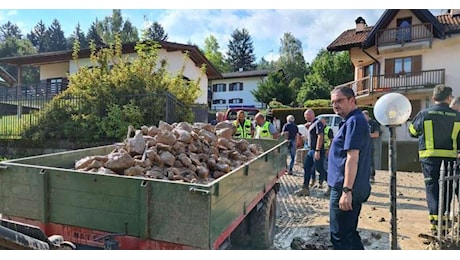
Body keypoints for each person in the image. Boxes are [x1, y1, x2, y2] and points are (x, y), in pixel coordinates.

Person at [408, 84, 460, 236]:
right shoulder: (457, 116)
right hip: (450, 159)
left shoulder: (424, 114)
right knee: (447, 191)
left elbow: (412, 132)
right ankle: (444, 226)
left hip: (429, 159)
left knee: (432, 191)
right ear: (449, 98)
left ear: (433, 98)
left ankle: (435, 226)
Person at [327, 85, 372, 250]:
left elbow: (352, 158)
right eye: (333, 102)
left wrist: (346, 191)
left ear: (352, 100)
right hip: (347, 186)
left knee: (339, 236)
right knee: (349, 233)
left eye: (339, 101)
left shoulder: (355, 121)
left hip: (345, 187)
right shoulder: (351, 121)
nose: (335, 105)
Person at [294, 109, 328, 197]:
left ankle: (333, 185)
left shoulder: (318, 123)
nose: (305, 118)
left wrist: (317, 150)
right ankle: (305, 188)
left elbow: (320, 136)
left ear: (310, 115)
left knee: (320, 169)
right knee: (306, 167)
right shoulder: (313, 124)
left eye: (306, 116)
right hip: (311, 150)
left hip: (317, 150)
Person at [362, 110, 381, 183]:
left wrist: (366, 136)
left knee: (370, 161)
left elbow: (376, 134)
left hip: (369, 145)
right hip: (361, 145)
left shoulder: (373, 123)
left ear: (368, 116)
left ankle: (371, 176)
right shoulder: (361, 123)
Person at [320, 116, 334, 196]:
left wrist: (329, 150)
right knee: (321, 168)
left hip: (326, 151)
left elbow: (332, 140)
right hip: (321, 151)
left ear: (325, 121)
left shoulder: (328, 129)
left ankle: (330, 186)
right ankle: (321, 182)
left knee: (326, 168)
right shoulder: (319, 128)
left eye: (322, 121)